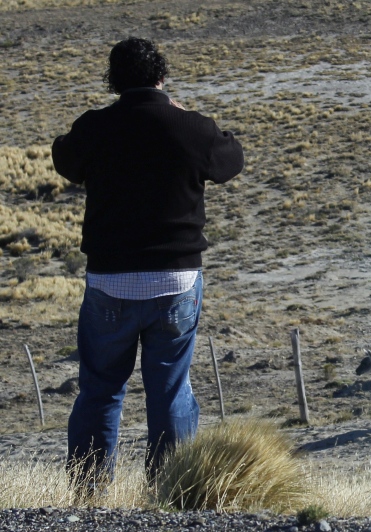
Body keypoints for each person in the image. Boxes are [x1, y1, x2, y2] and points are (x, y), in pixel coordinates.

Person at [52, 37, 244, 492]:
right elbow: (231, 159)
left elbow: (64, 155)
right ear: (162, 75)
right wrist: (187, 115)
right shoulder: (191, 128)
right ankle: (171, 494)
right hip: (176, 279)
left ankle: (89, 493)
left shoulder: (96, 128)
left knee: (100, 391)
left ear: (113, 81)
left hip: (109, 282)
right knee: (171, 393)